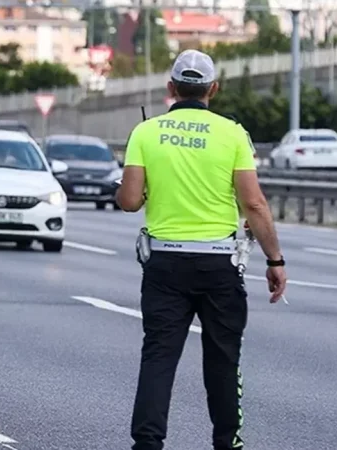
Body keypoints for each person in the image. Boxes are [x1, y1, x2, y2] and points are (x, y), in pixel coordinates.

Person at [116, 49, 287, 450]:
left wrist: (139, 193)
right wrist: (275, 260)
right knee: (223, 360)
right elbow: (254, 204)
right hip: (218, 265)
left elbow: (128, 200)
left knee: (158, 357)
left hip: (164, 264)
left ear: (171, 88)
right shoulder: (232, 134)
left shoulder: (146, 132)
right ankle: (227, 443)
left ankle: (147, 443)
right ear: (214, 88)